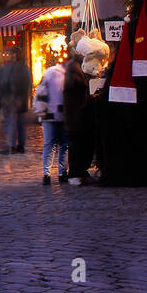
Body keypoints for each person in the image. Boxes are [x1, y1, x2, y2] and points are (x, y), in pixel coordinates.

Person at [62, 35, 94, 186]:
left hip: (79, 114)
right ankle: (74, 173)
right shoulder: (73, 67)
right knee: (76, 145)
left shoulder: (77, 66)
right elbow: (75, 84)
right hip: (75, 116)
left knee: (82, 144)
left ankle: (80, 171)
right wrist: (87, 80)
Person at [34, 56, 68, 184]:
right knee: (64, 145)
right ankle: (62, 173)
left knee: (50, 145)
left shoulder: (50, 73)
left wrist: (41, 111)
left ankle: (47, 174)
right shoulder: (65, 73)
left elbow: (41, 92)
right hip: (61, 114)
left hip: (49, 115)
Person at [0, 46, 32, 154]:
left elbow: (3, 82)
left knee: (12, 124)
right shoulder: (23, 67)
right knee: (20, 124)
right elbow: (28, 83)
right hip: (20, 100)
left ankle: (13, 146)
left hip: (12, 100)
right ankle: (20, 145)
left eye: (10, 54)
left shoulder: (10, 68)